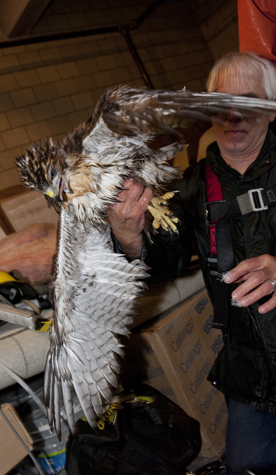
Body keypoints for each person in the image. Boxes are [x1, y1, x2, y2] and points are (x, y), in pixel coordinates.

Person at [108, 52, 276, 475]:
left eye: (249, 100)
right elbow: (161, 257)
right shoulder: (192, 186)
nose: (233, 114)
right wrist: (128, 232)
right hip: (251, 371)